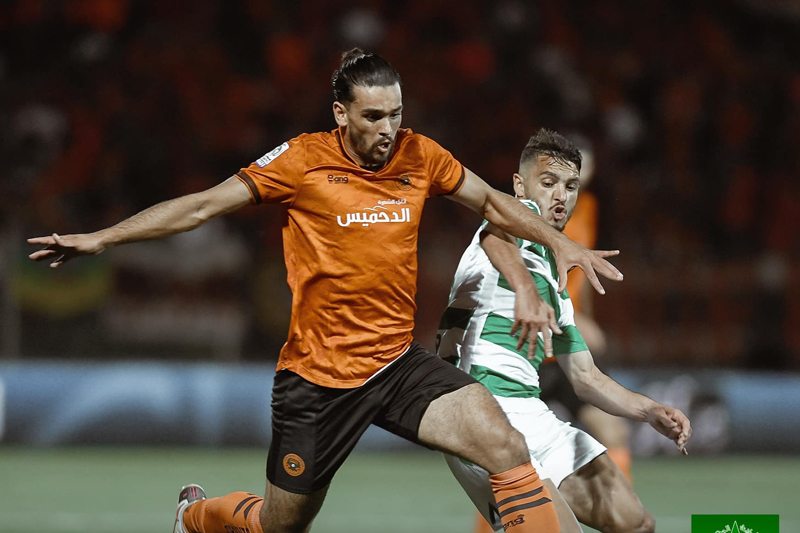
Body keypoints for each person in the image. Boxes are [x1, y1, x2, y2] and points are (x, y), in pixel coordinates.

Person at [28, 50, 622, 533]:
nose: (389, 129)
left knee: (504, 444)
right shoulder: (301, 161)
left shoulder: (420, 155)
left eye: (396, 114)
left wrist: (560, 242)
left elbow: (492, 202)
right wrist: (104, 238)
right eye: (373, 117)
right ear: (341, 113)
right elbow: (203, 206)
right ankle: (196, 517)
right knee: (280, 525)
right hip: (319, 380)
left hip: (397, 364)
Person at [437, 129, 691, 533]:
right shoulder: (510, 221)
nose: (561, 195)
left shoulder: (554, 282)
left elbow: (586, 378)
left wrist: (649, 410)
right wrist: (523, 288)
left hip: (533, 415)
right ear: (520, 185)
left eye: (570, 186)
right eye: (548, 182)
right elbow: (494, 235)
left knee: (636, 522)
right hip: (483, 419)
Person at [539, 134, 634, 485]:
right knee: (504, 446)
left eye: (583, 166)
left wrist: (586, 318)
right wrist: (574, 319)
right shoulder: (533, 214)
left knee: (612, 430)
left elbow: (581, 276)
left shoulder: (588, 207)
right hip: (531, 347)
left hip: (569, 347)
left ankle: (623, 514)